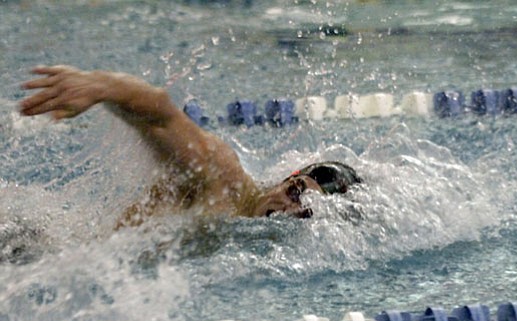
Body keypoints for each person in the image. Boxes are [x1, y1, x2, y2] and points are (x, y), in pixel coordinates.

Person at [19, 65, 361, 228]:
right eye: (297, 192)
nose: (289, 209)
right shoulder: (222, 179)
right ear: (289, 177)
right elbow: (160, 112)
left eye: (306, 211)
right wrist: (100, 85)